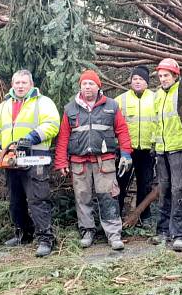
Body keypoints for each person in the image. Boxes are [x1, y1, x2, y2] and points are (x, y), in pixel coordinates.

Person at [54, 70, 133, 250]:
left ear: (99, 86)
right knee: (82, 197)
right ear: (80, 87)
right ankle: (87, 231)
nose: (87, 87)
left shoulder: (111, 106)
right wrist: (61, 162)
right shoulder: (70, 109)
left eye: (91, 84)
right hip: (79, 162)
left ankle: (113, 235)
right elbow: (63, 137)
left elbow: (122, 130)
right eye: (84, 84)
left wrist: (126, 153)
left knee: (108, 196)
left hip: (104, 160)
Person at [0, 70, 60, 257]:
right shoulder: (4, 106)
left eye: (24, 83)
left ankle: (45, 238)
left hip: (35, 154)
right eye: (17, 83)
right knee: (15, 199)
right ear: (12, 84)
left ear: (31, 84)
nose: (20, 86)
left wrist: (31, 137)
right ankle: (22, 233)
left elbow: (52, 124)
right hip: (10, 157)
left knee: (37, 198)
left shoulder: (43, 102)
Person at [150, 58, 182, 252]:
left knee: (179, 190)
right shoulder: (158, 95)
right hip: (161, 149)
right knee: (164, 189)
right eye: (160, 76)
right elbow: (155, 122)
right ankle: (162, 230)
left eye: (166, 75)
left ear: (176, 75)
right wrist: (154, 145)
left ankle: (179, 234)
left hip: (180, 148)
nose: (163, 79)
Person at [114, 66, 156, 224]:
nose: (137, 82)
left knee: (145, 184)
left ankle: (143, 216)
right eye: (135, 79)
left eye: (141, 79)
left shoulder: (155, 98)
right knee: (121, 183)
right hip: (126, 151)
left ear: (147, 82)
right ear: (130, 81)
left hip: (147, 150)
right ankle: (116, 216)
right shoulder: (120, 100)